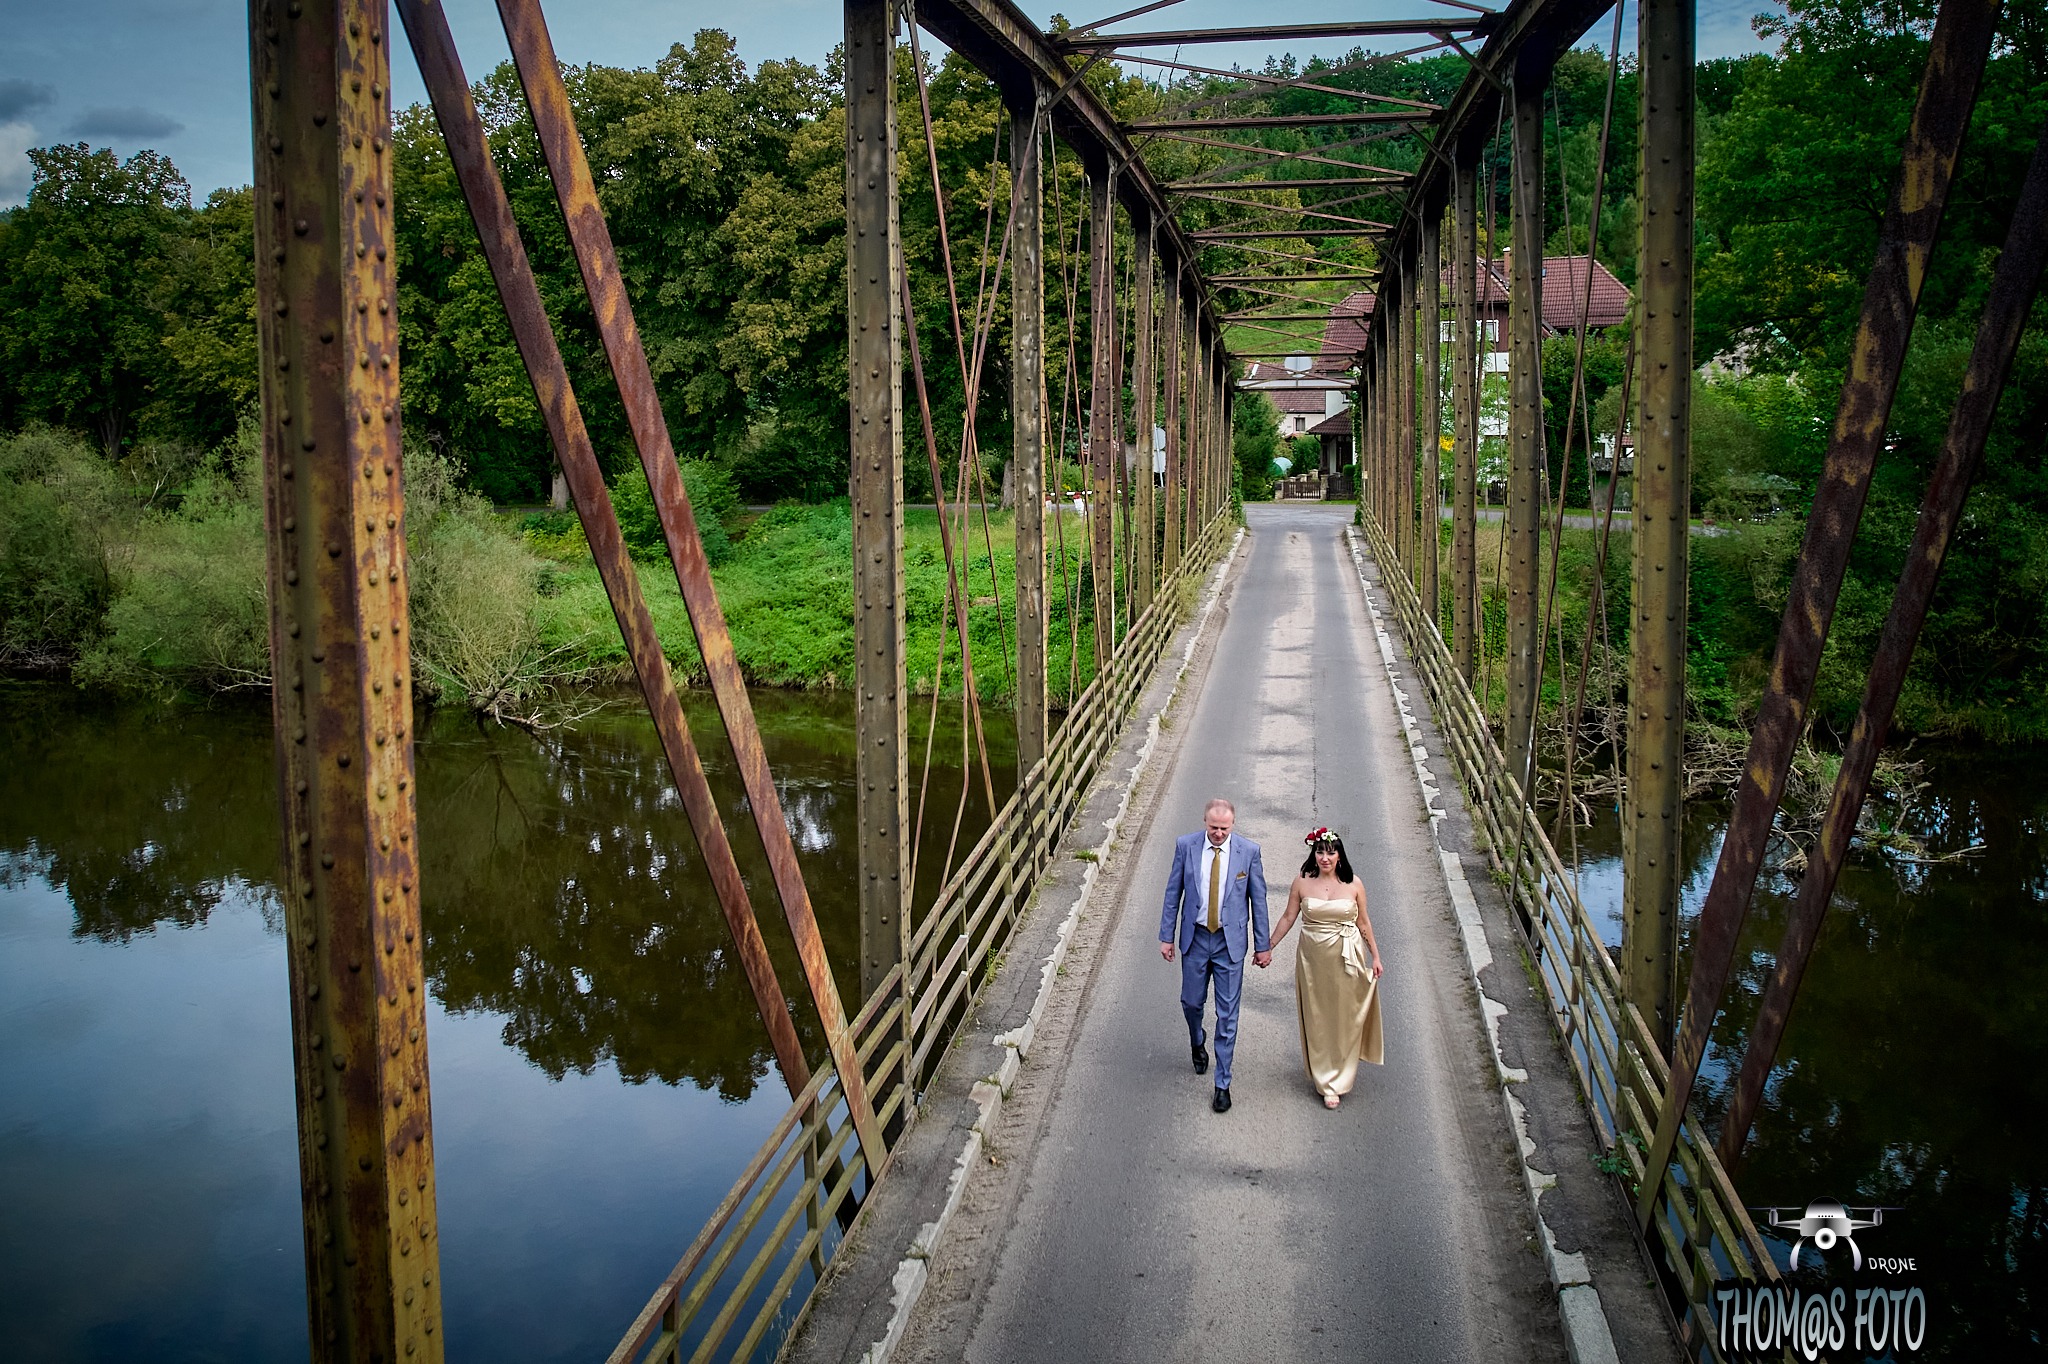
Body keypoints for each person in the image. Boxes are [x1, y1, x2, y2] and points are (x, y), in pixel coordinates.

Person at [1159, 798, 1270, 1113]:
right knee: (1191, 1002)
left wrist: (1263, 945)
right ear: (1204, 823)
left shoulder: (1248, 852)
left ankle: (1222, 1084)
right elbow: (1172, 893)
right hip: (1196, 939)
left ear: (1233, 825)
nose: (1218, 834)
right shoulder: (1186, 846)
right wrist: (1166, 936)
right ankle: (1197, 1039)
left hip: (1228, 942)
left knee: (1227, 1015)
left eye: (1224, 828)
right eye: (1213, 828)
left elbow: (1258, 902)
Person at [1268, 827, 1383, 1109]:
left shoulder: (1354, 884)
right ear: (1313, 854)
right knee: (1318, 1016)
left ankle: (1341, 1074)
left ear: (1340, 856)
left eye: (1331, 852)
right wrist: (1268, 946)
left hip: (1347, 955)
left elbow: (1364, 923)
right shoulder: (1302, 882)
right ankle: (1325, 1080)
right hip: (1313, 959)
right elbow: (1288, 917)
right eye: (1320, 852)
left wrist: (1376, 957)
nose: (1325, 857)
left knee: (1344, 1015)